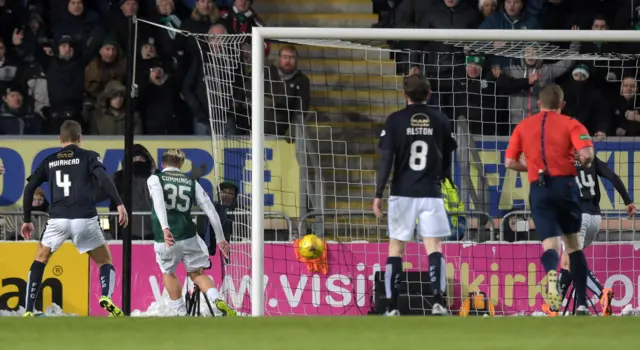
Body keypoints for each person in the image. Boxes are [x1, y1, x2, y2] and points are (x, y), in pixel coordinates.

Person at [20, 120, 129, 317]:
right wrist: (119, 203)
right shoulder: (89, 156)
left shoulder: (49, 160)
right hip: (85, 219)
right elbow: (104, 179)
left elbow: (29, 188)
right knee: (104, 261)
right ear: (80, 138)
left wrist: (27, 219)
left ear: (59, 139)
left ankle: (28, 309)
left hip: (58, 219)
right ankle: (106, 296)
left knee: (40, 259)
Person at [504, 84, 595, 315]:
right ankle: (582, 304)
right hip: (565, 186)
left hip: (539, 188)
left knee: (550, 244)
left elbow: (510, 162)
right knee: (574, 246)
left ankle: (551, 276)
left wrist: (532, 166)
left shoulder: (523, 126)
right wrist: (578, 164)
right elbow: (586, 155)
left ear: (538, 103)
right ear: (562, 105)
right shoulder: (571, 123)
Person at [373, 74, 458, 316]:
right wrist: (445, 181)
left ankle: (390, 307)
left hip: (403, 193)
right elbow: (447, 157)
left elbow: (387, 159)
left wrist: (378, 193)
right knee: (434, 247)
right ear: (429, 94)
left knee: (396, 248)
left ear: (404, 94)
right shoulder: (441, 120)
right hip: (431, 192)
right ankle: (439, 302)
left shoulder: (395, 121)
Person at [543, 155, 636, 317]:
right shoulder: (590, 158)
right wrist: (628, 201)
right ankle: (554, 307)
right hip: (594, 218)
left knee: (572, 260)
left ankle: (602, 294)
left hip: (577, 218)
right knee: (568, 261)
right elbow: (612, 176)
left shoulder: (561, 160)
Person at [147, 148, 236, 316]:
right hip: (189, 236)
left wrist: (165, 228)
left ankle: (181, 313)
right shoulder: (190, 181)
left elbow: (158, 201)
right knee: (197, 273)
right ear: (181, 164)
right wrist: (220, 238)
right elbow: (210, 210)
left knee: (168, 273)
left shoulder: (155, 178)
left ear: (162, 164)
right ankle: (217, 300)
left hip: (165, 238)